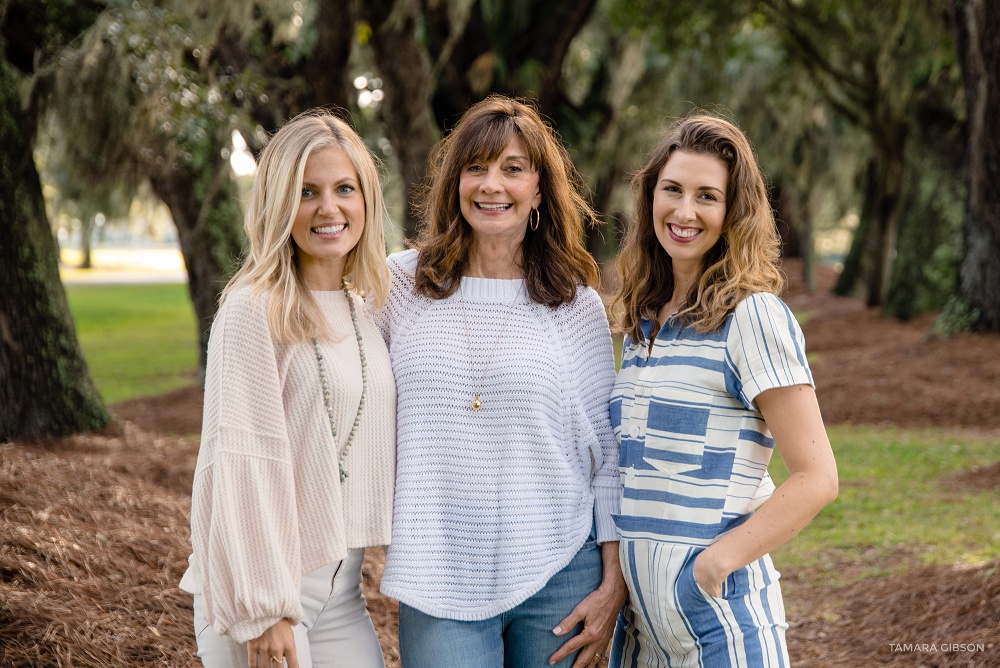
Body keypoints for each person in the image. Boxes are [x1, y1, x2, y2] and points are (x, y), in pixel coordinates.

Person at [378, 95, 626, 668]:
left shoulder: (574, 306)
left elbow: (606, 456)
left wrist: (612, 584)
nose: (492, 185)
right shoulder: (398, 287)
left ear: (539, 190)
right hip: (436, 573)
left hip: (561, 573)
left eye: (513, 169)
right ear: (454, 182)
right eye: (477, 167)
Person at [608, 114, 839, 667]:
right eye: (673, 190)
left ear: (733, 214)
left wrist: (712, 568)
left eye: (707, 196)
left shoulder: (752, 317)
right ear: (650, 198)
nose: (685, 212)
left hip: (721, 628)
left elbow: (817, 477)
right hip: (643, 636)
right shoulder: (644, 321)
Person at [179, 110, 396, 668]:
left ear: (366, 199)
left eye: (344, 188)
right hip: (270, 593)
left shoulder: (364, 310)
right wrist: (264, 611)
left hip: (344, 593)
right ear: (279, 204)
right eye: (307, 191)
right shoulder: (254, 310)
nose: (329, 208)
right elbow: (241, 462)